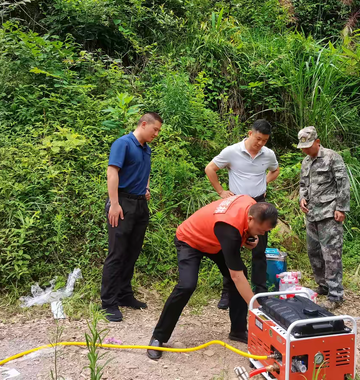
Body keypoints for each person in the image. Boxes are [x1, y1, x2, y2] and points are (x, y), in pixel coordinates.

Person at [147, 195, 279, 360]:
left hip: (214, 241)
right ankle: (158, 336)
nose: (262, 234)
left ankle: (238, 330)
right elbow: (236, 275)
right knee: (187, 285)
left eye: (265, 232)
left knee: (241, 275)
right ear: (251, 218)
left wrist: (250, 237)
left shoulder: (251, 205)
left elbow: (243, 231)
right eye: (261, 230)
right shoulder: (229, 227)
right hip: (190, 240)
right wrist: (257, 309)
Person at [205, 119, 280, 309]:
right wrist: (221, 192)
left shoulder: (268, 154)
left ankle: (260, 291)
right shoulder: (232, 151)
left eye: (264, 140)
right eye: (258, 139)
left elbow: (275, 170)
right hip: (236, 205)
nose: (260, 143)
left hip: (259, 203)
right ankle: (227, 293)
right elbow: (210, 169)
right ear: (249, 133)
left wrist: (264, 183)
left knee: (259, 247)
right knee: (230, 248)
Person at [100, 112, 163, 322]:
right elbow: (112, 172)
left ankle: (124, 295)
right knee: (116, 253)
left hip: (140, 205)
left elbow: (143, 173)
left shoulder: (147, 150)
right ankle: (108, 302)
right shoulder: (123, 143)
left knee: (132, 253)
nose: (156, 134)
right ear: (143, 124)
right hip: (122, 204)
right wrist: (115, 204)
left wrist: (145, 188)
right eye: (155, 129)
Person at [298, 126, 350, 311]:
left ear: (317, 142)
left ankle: (335, 295)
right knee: (314, 252)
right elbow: (303, 184)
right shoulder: (306, 161)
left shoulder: (331, 157)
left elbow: (343, 183)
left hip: (329, 213)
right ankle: (323, 285)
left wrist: (342, 208)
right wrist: (301, 198)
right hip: (311, 214)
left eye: (308, 146)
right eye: (303, 147)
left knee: (331, 254)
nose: (305, 150)